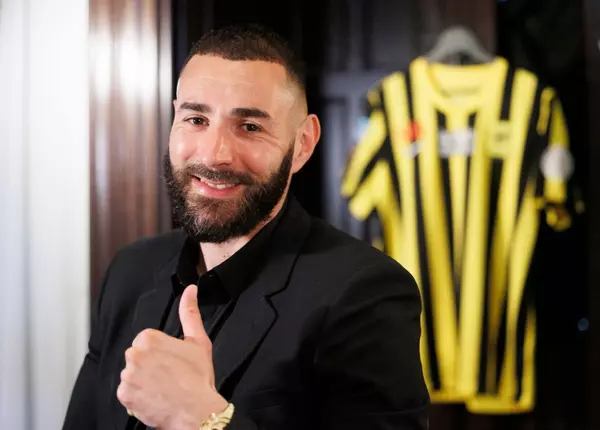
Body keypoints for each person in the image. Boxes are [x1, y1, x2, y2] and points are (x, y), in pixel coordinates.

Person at [62, 23, 430, 430]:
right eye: (196, 119)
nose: (214, 155)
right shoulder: (129, 270)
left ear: (303, 144)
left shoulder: (365, 293)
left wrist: (205, 419)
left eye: (250, 127)